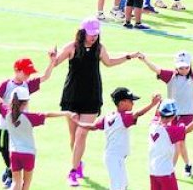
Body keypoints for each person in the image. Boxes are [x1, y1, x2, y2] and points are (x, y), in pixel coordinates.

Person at [49, 18, 140, 187]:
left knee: (81, 134)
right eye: (91, 34)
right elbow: (55, 64)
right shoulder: (72, 47)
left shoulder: (99, 48)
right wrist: (52, 57)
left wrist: (129, 56)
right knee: (73, 137)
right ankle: (78, 163)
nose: (93, 37)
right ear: (83, 32)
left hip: (92, 95)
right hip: (72, 95)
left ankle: (73, 171)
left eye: (96, 34)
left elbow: (109, 62)